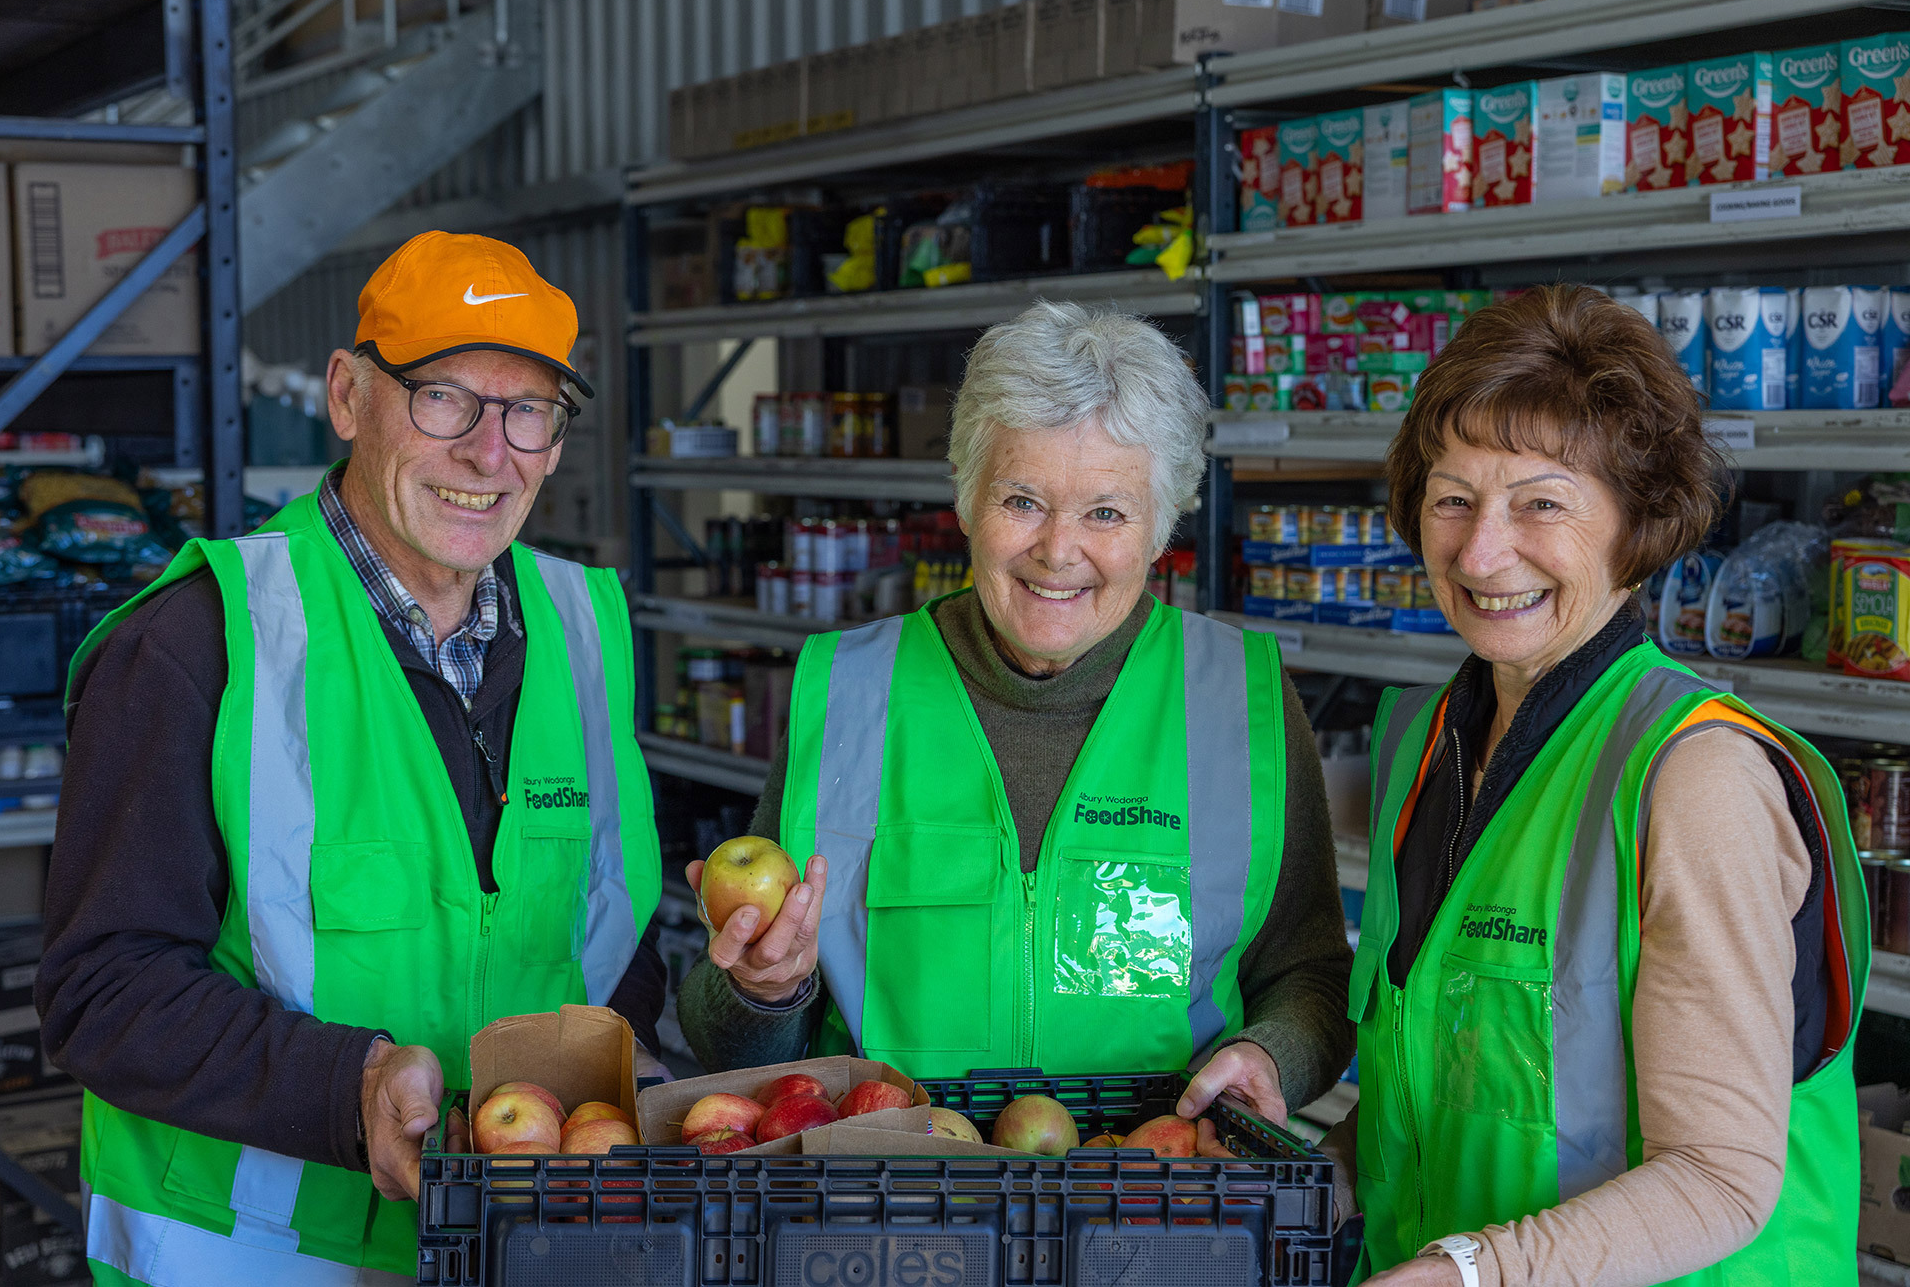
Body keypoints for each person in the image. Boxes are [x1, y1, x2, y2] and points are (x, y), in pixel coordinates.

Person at [38, 232, 665, 1286]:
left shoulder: (586, 630)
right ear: (347, 396)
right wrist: (352, 1083)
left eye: (528, 410)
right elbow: (104, 988)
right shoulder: (199, 642)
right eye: (445, 397)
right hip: (248, 1253)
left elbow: (605, 933)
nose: (488, 451)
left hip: (527, 1241)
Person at [679, 300, 1354, 1139]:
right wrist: (762, 990)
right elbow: (724, 1044)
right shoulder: (851, 690)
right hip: (885, 1206)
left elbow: (1314, 974)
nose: (1058, 550)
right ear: (966, 501)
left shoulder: (1237, 698)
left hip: (1158, 1199)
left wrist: (1272, 1053)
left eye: (1106, 512)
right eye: (1023, 500)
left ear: (1161, 529)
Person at [1341, 284, 1868, 1286]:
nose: (1481, 549)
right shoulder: (1426, 739)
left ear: (1636, 523)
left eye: (1540, 501)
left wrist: (1467, 1272)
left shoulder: (1695, 774)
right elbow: (1450, 1087)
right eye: (1451, 497)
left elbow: (1718, 1175)